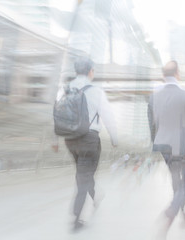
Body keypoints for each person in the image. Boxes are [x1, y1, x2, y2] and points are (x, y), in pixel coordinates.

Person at [52, 56, 118, 231]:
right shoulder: (96, 91)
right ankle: (76, 219)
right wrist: (114, 138)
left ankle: (95, 195)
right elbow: (108, 117)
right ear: (90, 71)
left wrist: (55, 140)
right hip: (89, 139)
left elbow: (58, 114)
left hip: (70, 139)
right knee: (84, 175)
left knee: (83, 172)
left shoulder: (65, 90)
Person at [147, 60, 185, 237]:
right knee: (184, 184)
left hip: (164, 146)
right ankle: (171, 210)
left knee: (176, 180)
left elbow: (151, 124)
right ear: (178, 74)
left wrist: (155, 140)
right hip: (184, 146)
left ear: (163, 76)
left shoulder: (153, 97)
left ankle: (182, 212)